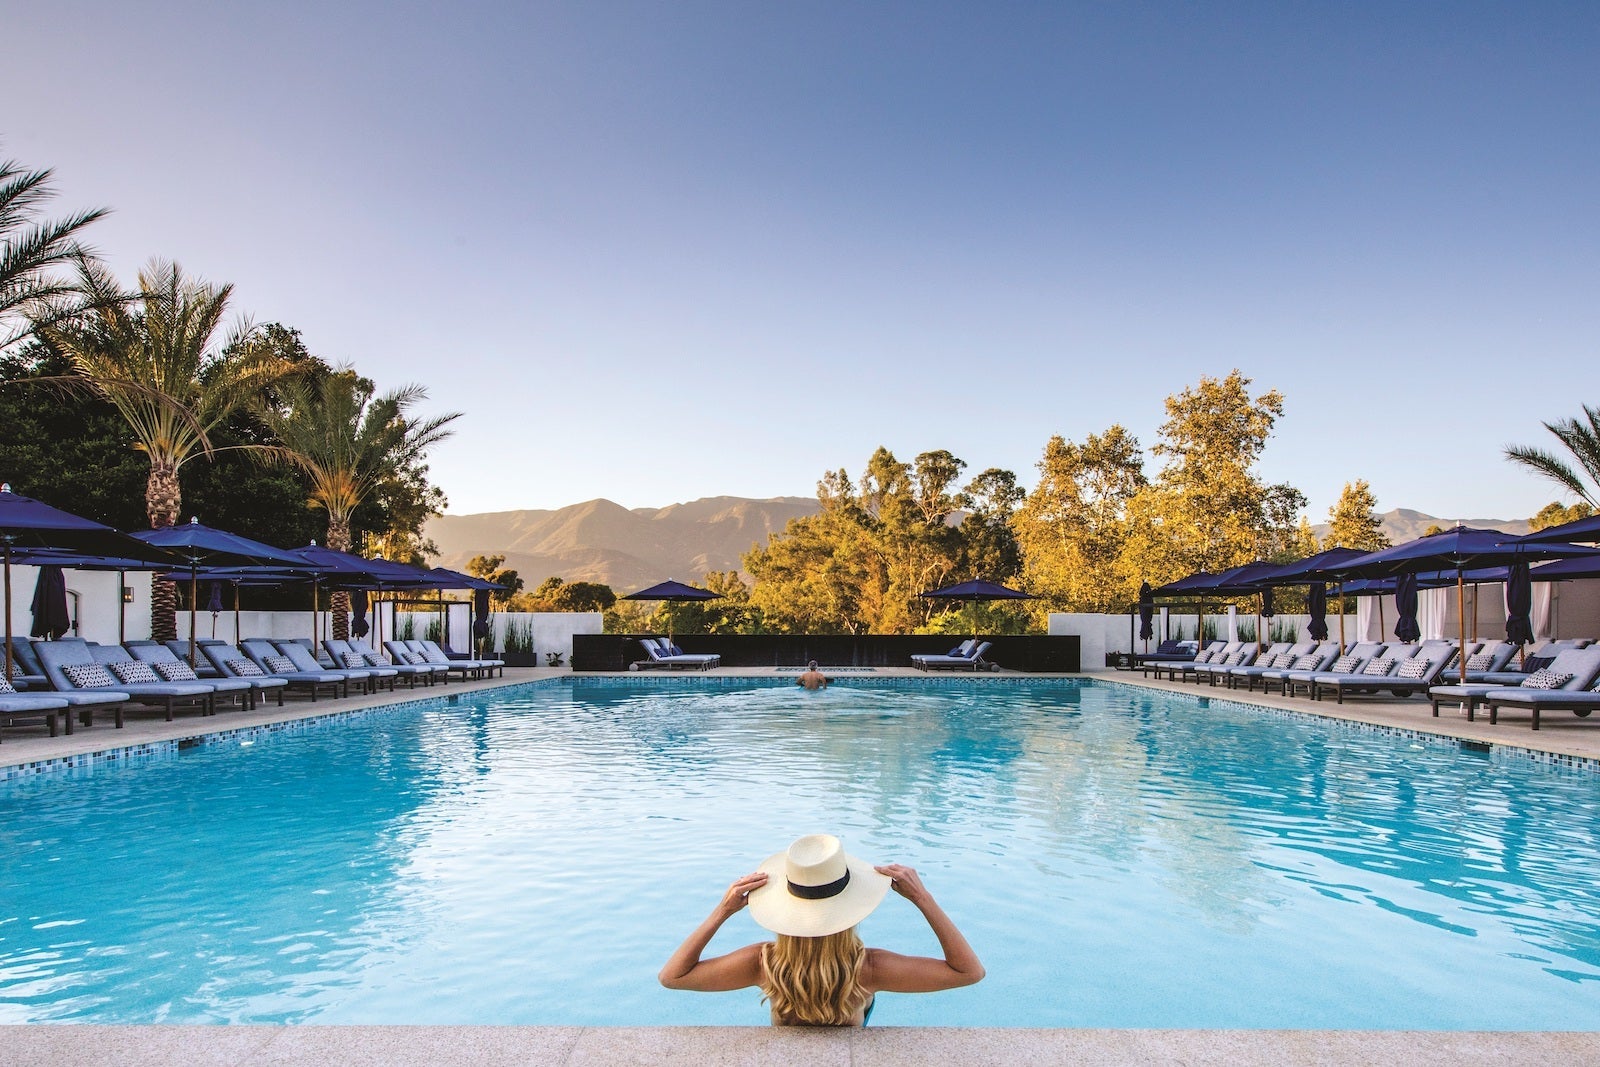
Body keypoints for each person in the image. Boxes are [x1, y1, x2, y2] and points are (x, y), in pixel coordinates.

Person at [659, 833, 984, 1026]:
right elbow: (968, 972)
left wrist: (722, 911)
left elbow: (673, 977)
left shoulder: (764, 964)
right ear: (851, 909)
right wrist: (922, 898)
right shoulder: (869, 969)